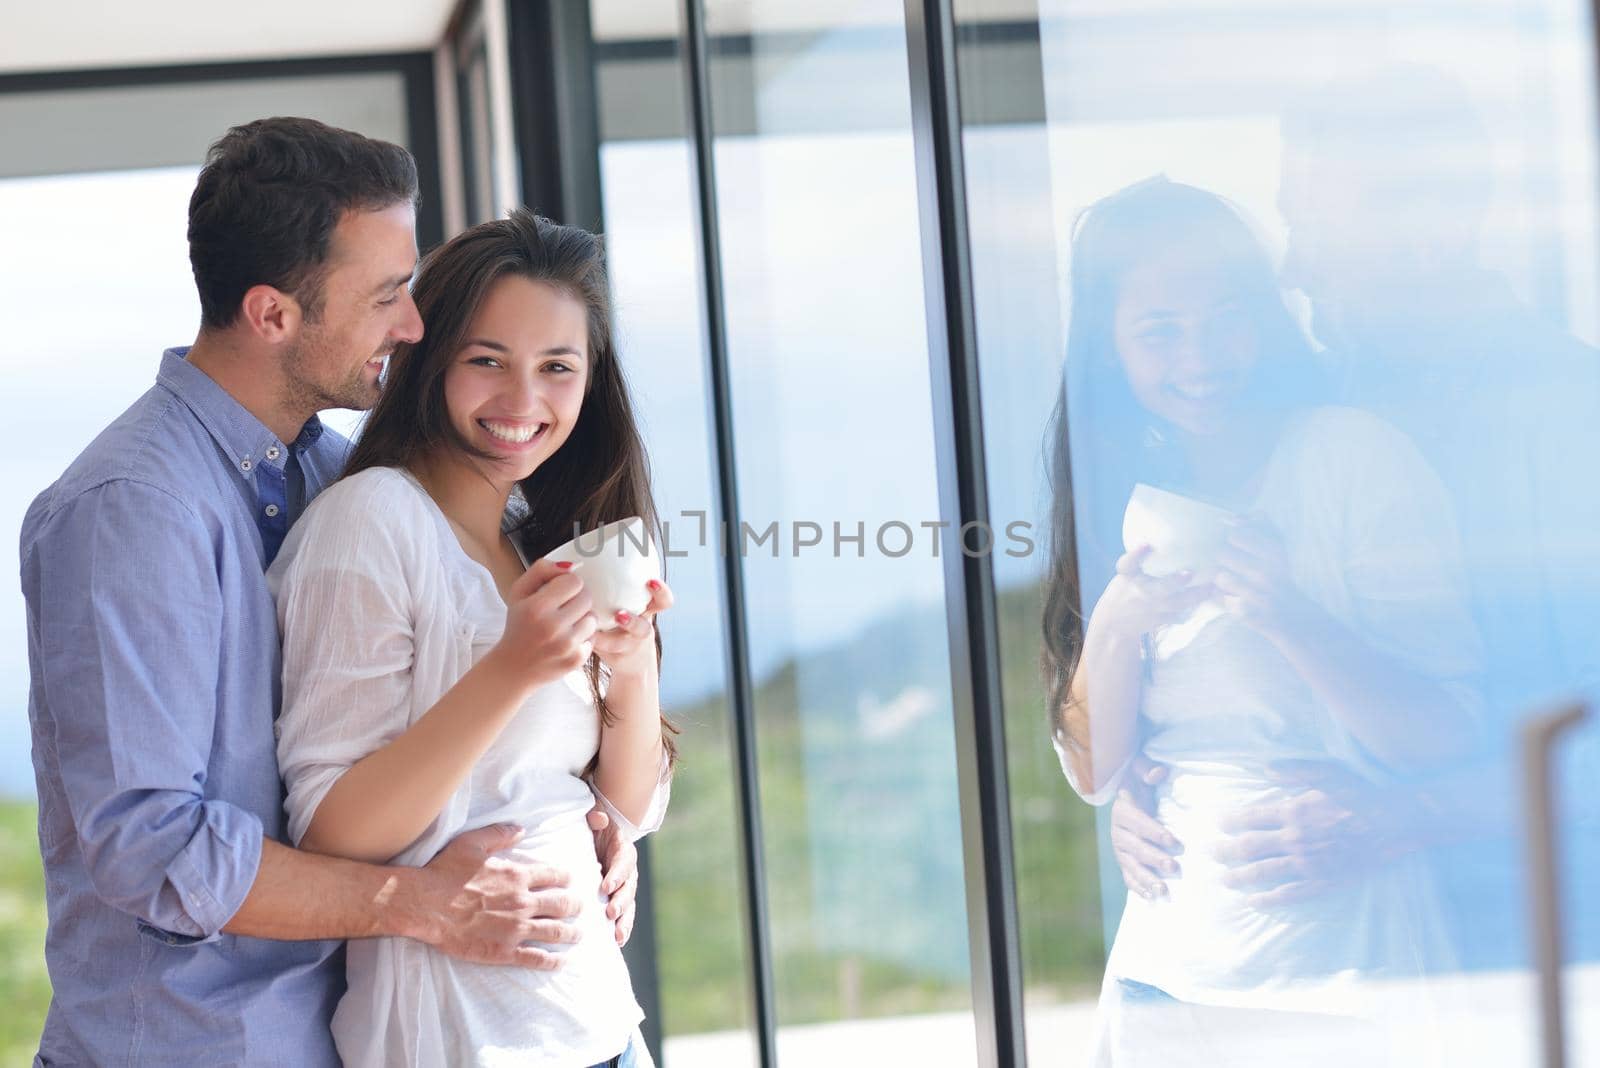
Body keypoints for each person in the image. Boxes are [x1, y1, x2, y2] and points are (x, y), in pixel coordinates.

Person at [19, 117, 640, 1067]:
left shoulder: (328, 471)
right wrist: (421, 905)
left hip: (334, 1032)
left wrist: (589, 827)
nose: (414, 325)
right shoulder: (131, 509)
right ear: (272, 314)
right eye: (389, 293)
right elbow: (151, 849)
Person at [1110, 67, 1600, 975]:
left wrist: (1408, 818)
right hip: (1341, 952)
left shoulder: (1574, 420)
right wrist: (1153, 784)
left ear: (1433, 234)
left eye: (1313, 225)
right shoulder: (1310, 411)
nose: (1293, 267)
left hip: (1546, 959)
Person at [1041, 177, 1484, 1064]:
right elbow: (1093, 774)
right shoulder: (1119, 487)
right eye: (1159, 331)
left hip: (1339, 972)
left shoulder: (1352, 458)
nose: (1200, 357)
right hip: (1167, 968)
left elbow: (1444, 733)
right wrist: (1121, 625)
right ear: (1113, 351)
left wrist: (1287, 615)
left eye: (1226, 317)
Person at [267, 207, 674, 1067]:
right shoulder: (370, 522)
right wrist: (512, 668)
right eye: (487, 360)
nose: (524, 401)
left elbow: (628, 812)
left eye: (557, 368)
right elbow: (334, 833)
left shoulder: (532, 531)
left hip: (598, 1024)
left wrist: (632, 672)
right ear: (430, 360)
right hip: (460, 1037)